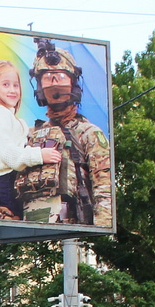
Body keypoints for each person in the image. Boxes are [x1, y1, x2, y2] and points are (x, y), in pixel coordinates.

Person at [13, 39, 113, 227]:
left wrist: (101, 231)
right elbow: (1, 187)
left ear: (73, 82)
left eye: (60, 75)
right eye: (47, 75)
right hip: (31, 236)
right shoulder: (30, 135)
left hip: (75, 234)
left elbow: (104, 188)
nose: (54, 80)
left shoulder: (88, 133)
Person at [0, 59, 60, 220]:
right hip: (5, 185)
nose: (12, 90)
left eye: (16, 85)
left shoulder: (6, 116)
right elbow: (10, 155)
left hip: (4, 184)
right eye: (5, 84)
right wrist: (39, 155)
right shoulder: (0, 114)